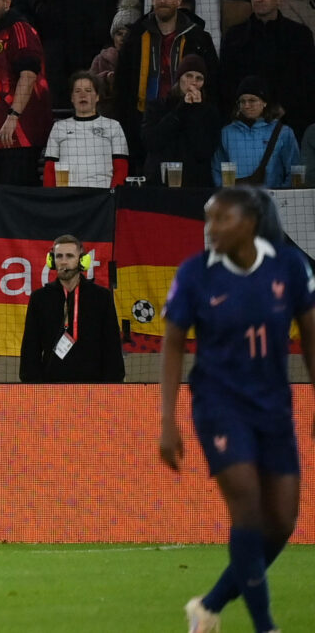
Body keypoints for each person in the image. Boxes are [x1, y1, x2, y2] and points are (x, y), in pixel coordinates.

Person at [160, 187, 315, 633]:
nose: (209, 230)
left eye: (220, 220)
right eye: (207, 220)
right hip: (218, 404)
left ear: (249, 222)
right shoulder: (194, 274)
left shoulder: (290, 267)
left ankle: (208, 606)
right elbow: (172, 346)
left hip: (273, 406)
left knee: (282, 521)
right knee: (246, 506)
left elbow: (310, 336)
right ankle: (266, 626)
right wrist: (167, 420)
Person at [18, 232, 124, 385]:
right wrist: (32, 386)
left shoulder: (101, 297)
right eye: (59, 256)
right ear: (52, 261)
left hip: (94, 388)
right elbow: (30, 348)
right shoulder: (40, 299)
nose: (63, 262)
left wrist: (113, 387)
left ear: (82, 261)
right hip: (50, 388)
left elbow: (111, 346)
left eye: (69, 256)